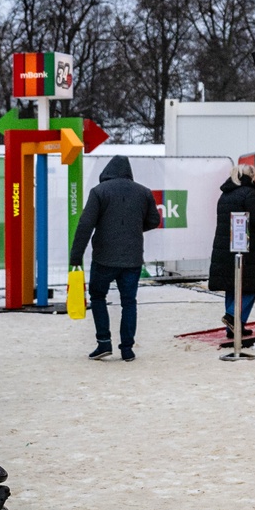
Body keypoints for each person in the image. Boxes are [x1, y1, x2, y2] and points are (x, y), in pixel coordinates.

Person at [69, 154, 158, 361]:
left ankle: (103, 343)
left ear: (107, 172)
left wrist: (76, 256)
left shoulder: (99, 191)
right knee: (129, 302)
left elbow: (85, 225)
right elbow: (154, 220)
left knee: (98, 296)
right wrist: (134, 229)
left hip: (104, 257)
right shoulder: (144, 192)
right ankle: (127, 348)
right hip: (133, 258)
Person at [208, 163, 255, 341]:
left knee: (232, 286)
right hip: (246, 250)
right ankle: (232, 316)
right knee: (251, 286)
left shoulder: (225, 194)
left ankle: (234, 328)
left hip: (225, 249)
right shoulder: (250, 194)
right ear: (251, 176)